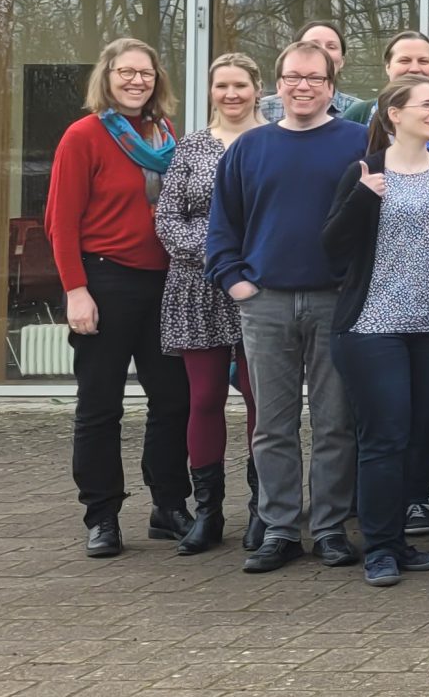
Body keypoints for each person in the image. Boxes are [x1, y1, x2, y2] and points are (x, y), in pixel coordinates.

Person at [208, 40, 370, 573]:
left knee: (334, 423)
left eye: (315, 78)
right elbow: (222, 225)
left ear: (331, 85)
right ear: (277, 85)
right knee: (272, 425)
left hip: (335, 302)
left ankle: (329, 529)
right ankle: (279, 528)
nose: (303, 87)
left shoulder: (358, 142)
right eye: (294, 77)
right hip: (266, 303)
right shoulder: (249, 148)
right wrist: (235, 283)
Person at [323, 77, 429, 586]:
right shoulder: (366, 171)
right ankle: (379, 548)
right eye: (426, 105)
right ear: (394, 114)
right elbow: (331, 247)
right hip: (374, 326)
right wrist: (361, 198)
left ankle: (398, 541)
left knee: (419, 438)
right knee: (385, 437)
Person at [50, 37, 192, 559]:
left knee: (173, 400)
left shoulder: (166, 136)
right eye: (126, 72)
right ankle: (102, 515)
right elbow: (61, 222)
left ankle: (169, 506)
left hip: (164, 283)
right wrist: (76, 291)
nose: (137, 81)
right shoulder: (83, 136)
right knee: (100, 405)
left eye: (146, 73)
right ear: (107, 78)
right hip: (104, 282)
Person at [155, 52, 265, 555]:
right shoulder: (192, 147)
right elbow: (167, 219)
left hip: (261, 286)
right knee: (203, 399)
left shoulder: (273, 141)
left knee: (262, 400)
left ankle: (264, 510)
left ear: (257, 88)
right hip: (196, 287)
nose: (231, 94)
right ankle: (208, 512)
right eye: (222, 85)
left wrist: (248, 261)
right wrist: (220, 254)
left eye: (240, 84)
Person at [338, 32, 429, 156]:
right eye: (404, 61)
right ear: (388, 66)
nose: (414, 69)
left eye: (423, 61)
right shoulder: (359, 114)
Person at [258, 22, 364, 122]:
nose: (323, 52)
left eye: (331, 47)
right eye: (312, 46)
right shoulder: (263, 109)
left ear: (342, 61)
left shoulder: (364, 113)